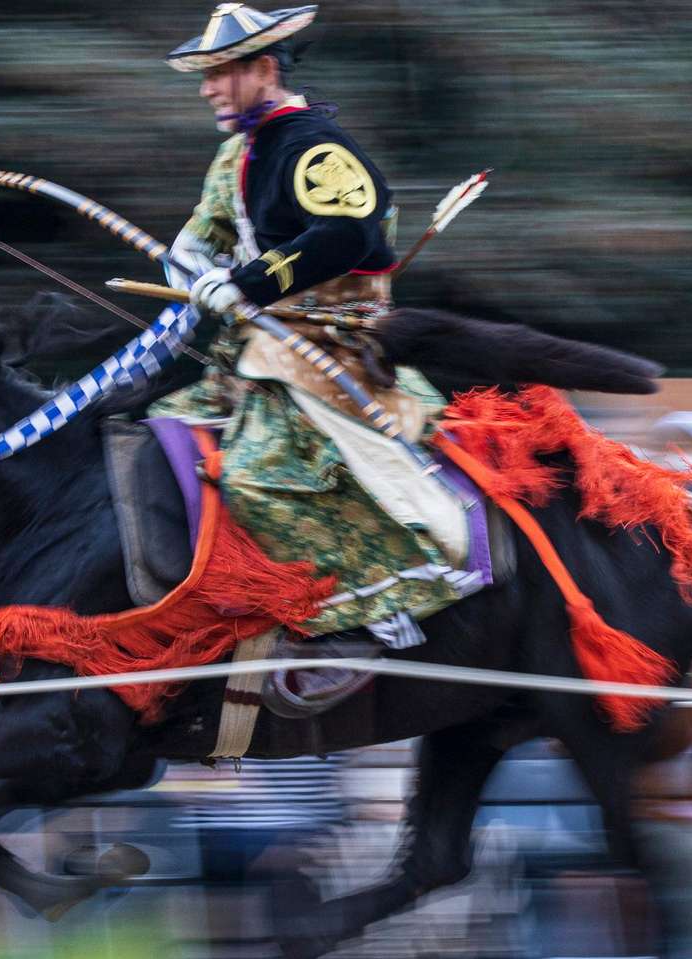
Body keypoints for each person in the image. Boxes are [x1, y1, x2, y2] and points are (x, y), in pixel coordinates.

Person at [151, 3, 478, 648]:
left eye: (221, 73)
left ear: (264, 69)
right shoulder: (236, 153)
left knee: (255, 472)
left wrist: (242, 284)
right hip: (260, 348)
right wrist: (185, 261)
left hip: (332, 344)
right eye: (207, 74)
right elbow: (209, 229)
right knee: (167, 429)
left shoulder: (314, 147)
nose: (207, 88)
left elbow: (346, 236)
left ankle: (395, 588)